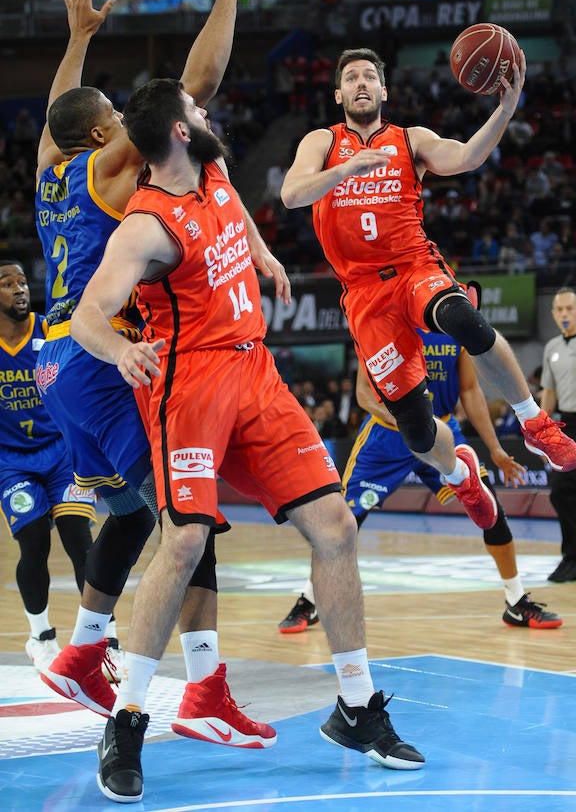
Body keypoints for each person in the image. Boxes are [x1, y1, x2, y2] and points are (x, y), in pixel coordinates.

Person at [71, 78, 426, 802]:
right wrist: (120, 351)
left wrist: (260, 254)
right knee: (183, 541)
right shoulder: (144, 225)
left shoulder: (216, 173)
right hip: (191, 384)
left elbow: (236, 217)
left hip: (254, 370)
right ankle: (128, 718)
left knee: (334, 526)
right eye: (196, 113)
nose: (208, 117)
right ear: (176, 131)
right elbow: (88, 316)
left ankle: (356, 708)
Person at [36, 0, 285, 741]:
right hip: (100, 356)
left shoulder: (49, 165)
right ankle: (205, 689)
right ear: (108, 131)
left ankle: (80, 652)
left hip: (56, 368)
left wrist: (76, 39)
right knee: (189, 515)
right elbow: (193, 92)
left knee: (136, 519)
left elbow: (57, 113)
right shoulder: (108, 169)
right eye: (115, 112)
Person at [280, 47, 576, 536]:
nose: (361, 83)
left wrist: (504, 109)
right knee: (418, 430)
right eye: (351, 77)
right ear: (338, 93)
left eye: (369, 77)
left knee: (466, 321)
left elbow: (465, 157)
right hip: (363, 293)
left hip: (414, 267)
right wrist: (346, 170)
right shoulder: (322, 141)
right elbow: (292, 195)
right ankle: (461, 475)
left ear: (384, 90)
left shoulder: (409, 138)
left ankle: (534, 422)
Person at [279, 330, 563, 634]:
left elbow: (469, 391)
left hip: (441, 430)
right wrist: (402, 420)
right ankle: (309, 600)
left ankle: (516, 601)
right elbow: (364, 394)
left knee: (490, 509)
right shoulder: (379, 323)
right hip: (386, 437)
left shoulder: (452, 325)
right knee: (343, 523)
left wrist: (494, 448)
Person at [0, 260, 98, 672]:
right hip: (13, 463)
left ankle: (101, 636)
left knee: (80, 539)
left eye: (22, 281)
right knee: (34, 543)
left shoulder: (50, 330)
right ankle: (40, 636)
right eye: (7, 284)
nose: (20, 289)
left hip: (63, 452)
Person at [541, 288, 576, 582]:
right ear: (553, 314)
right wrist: (540, 426)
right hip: (571, 424)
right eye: (558, 309)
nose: (563, 313)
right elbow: (549, 392)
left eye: (568, 308)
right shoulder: (551, 347)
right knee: (564, 491)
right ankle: (575, 559)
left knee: (565, 489)